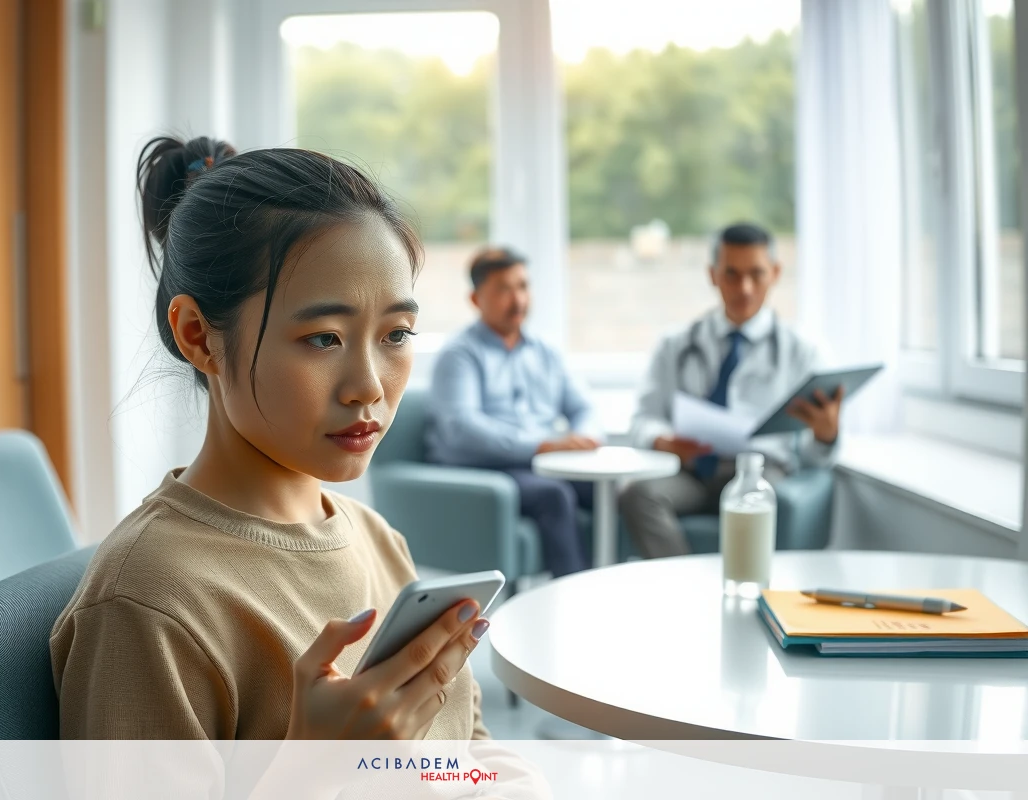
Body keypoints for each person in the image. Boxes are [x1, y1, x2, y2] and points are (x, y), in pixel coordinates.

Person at [50, 136, 492, 740]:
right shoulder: (148, 603)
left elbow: (469, 752)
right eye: (323, 338)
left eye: (396, 334)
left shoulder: (377, 539)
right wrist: (315, 767)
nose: (369, 386)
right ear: (199, 336)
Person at [618, 222, 843, 559]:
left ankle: (745, 587)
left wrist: (826, 436)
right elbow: (643, 419)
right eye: (732, 275)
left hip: (761, 472)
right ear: (712, 275)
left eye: (756, 274)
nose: (745, 288)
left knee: (758, 501)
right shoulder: (676, 345)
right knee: (637, 494)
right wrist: (662, 440)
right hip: (692, 473)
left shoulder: (803, 352)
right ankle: (682, 581)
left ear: (775, 273)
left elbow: (814, 458)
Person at [426, 247, 602, 577]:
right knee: (554, 495)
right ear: (476, 299)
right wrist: (541, 445)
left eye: (522, 286)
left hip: (539, 464)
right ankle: (575, 595)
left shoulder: (546, 351)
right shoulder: (459, 355)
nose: (518, 299)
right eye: (503, 290)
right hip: (483, 468)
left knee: (608, 488)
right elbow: (462, 427)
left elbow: (583, 407)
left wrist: (584, 437)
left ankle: (616, 585)